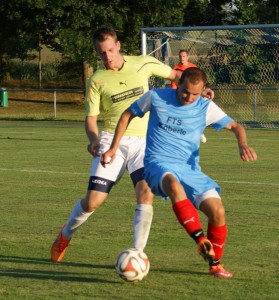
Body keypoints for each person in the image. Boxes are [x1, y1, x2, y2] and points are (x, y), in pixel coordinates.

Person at [50, 27, 214, 263]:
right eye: (101, 52)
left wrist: (202, 90)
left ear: (118, 45)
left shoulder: (143, 63)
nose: (106, 57)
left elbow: (178, 77)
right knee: (93, 201)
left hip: (145, 142)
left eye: (109, 50)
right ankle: (65, 235)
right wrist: (94, 140)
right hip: (111, 140)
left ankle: (137, 253)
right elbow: (90, 119)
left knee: (145, 194)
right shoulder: (96, 80)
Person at [102, 67, 257, 278]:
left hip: (190, 169)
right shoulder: (156, 97)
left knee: (218, 211)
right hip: (158, 164)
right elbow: (127, 114)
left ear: (203, 90)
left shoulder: (205, 106)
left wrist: (243, 145)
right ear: (178, 83)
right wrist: (113, 147)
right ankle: (200, 239)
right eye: (185, 91)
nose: (189, 97)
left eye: (195, 93)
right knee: (173, 185)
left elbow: (237, 127)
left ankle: (215, 264)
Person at [171, 49, 207, 143]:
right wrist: (175, 93)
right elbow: (174, 83)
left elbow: (199, 80)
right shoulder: (176, 68)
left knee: (193, 113)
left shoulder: (193, 67)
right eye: (180, 56)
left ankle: (199, 132)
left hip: (192, 95)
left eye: (183, 56)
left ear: (187, 57)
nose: (182, 58)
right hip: (181, 95)